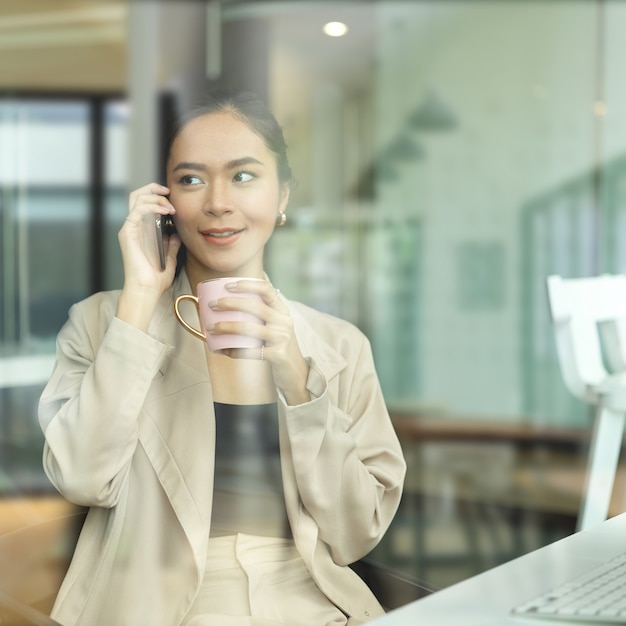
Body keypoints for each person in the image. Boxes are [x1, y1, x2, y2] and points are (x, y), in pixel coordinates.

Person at [38, 90, 406, 626]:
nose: (216, 202)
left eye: (243, 175)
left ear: (282, 195)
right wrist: (138, 302)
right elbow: (80, 478)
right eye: (190, 179)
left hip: (310, 602)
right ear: (164, 201)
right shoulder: (102, 324)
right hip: (155, 605)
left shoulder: (339, 344)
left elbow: (355, 534)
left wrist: (299, 380)